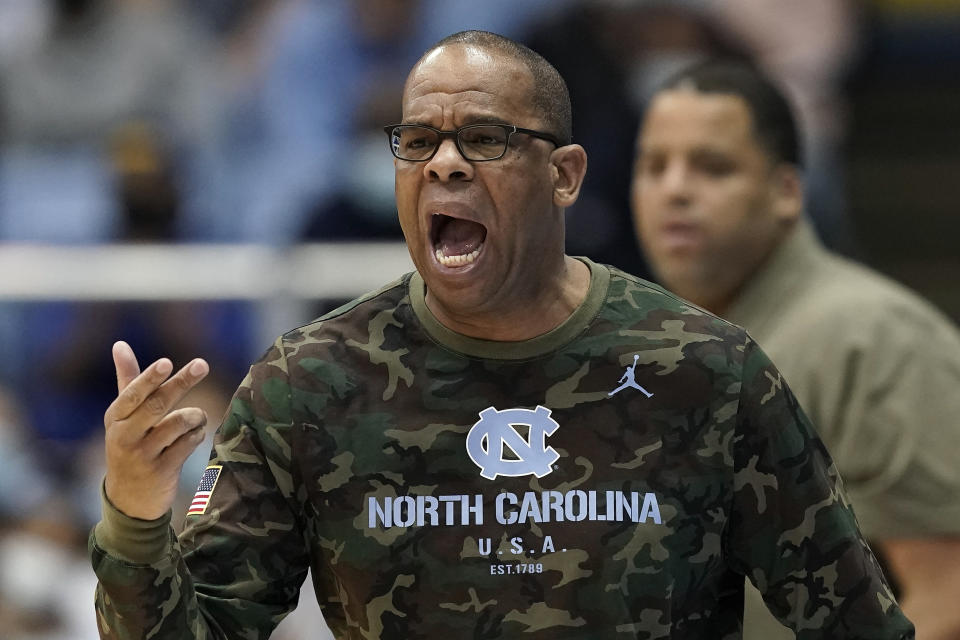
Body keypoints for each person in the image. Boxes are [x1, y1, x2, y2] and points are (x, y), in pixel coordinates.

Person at [90, 31, 913, 639]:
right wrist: (135, 508)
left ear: (563, 175)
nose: (443, 164)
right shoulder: (308, 383)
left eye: (483, 139)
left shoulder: (705, 369)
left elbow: (855, 623)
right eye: (418, 142)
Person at [631, 59, 960, 640]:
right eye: (654, 166)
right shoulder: (649, 345)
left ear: (786, 191)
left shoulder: (874, 338)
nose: (674, 189)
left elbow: (949, 594)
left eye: (713, 167)